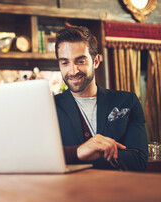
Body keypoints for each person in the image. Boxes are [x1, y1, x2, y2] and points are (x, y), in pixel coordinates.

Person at [54, 26, 148, 171]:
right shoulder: (49, 107)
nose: (73, 71)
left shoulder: (127, 101)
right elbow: (37, 159)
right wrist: (79, 152)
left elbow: (139, 161)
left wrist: (72, 157)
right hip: (69, 192)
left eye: (80, 61)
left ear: (96, 61)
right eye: (65, 62)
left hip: (119, 192)